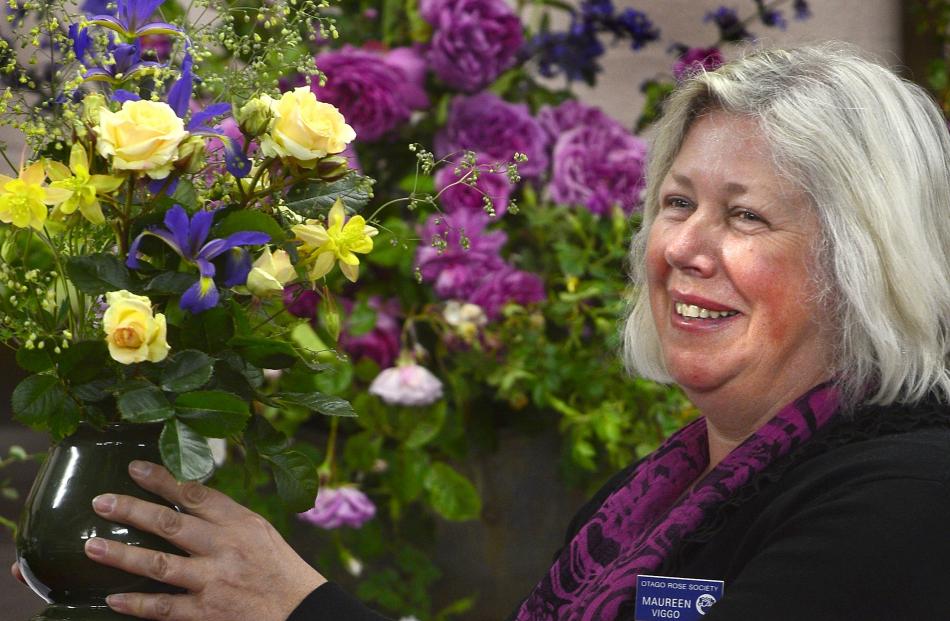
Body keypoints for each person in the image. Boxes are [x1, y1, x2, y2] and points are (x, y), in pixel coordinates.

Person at [13, 42, 950, 620]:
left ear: (860, 263)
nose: (684, 249)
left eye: (745, 217)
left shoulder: (910, 496)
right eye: (676, 203)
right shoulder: (646, 497)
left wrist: (302, 610)